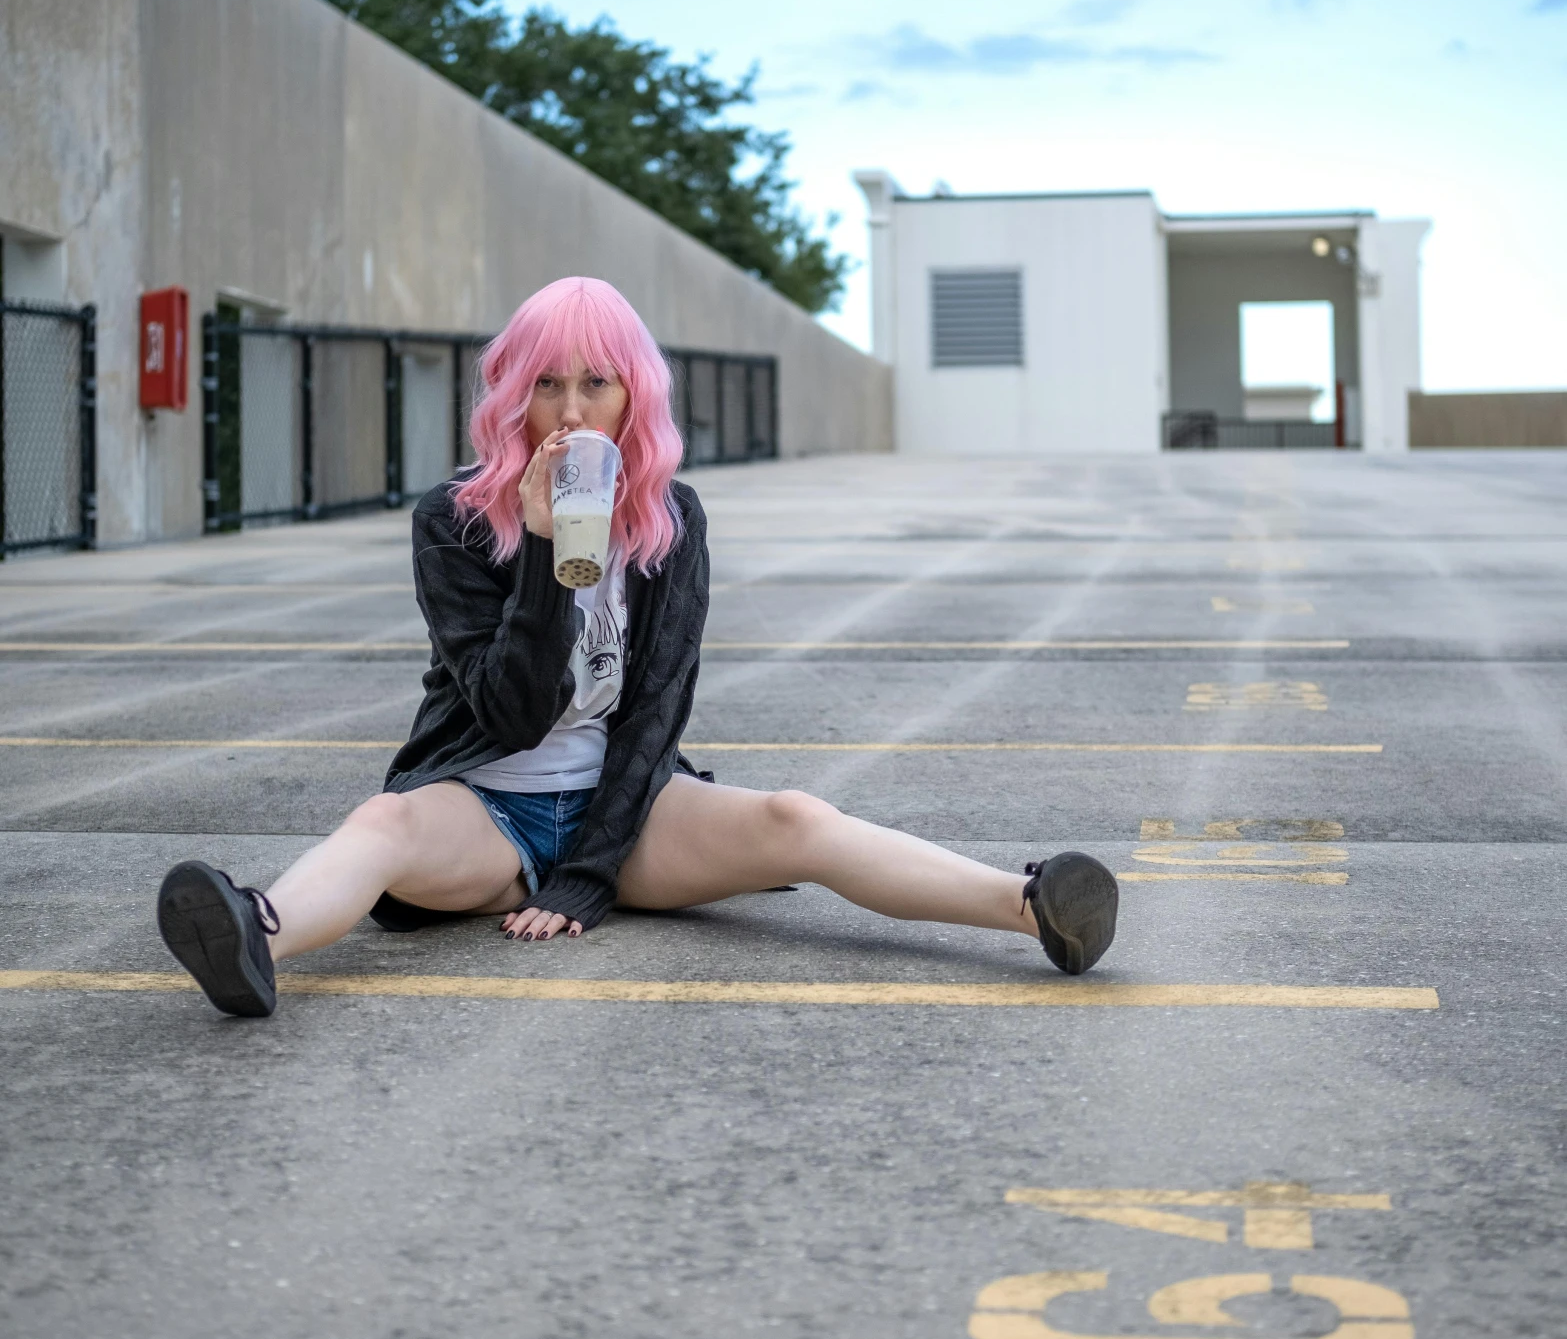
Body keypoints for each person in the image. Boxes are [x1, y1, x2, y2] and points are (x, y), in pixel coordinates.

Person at [154, 276, 1120, 1018]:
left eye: (595, 384)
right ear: (511, 398)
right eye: (545, 385)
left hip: (629, 813)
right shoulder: (454, 519)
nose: (569, 413)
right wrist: (542, 546)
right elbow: (507, 712)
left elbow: (657, 705)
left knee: (794, 816)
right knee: (380, 823)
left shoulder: (670, 521)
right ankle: (253, 935)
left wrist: (592, 871)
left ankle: (1031, 905)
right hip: (484, 810)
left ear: (631, 398)